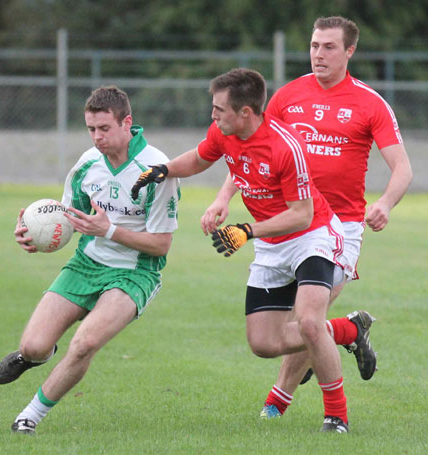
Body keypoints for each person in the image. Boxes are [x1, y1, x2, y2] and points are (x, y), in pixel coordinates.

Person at [130, 67, 376, 433]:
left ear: (245, 112)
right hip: (272, 245)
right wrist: (163, 169)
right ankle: (347, 331)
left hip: (313, 236)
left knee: (308, 322)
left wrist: (246, 230)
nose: (212, 116)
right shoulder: (224, 133)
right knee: (263, 343)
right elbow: (200, 158)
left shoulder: (284, 147)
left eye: (218, 110)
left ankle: (336, 416)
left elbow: (301, 214)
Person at [201, 16, 412, 421]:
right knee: (295, 329)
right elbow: (250, 148)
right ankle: (350, 330)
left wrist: (385, 203)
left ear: (350, 51)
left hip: (338, 227)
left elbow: (402, 167)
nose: (318, 54)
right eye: (314, 45)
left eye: (329, 47)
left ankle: (280, 403)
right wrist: (223, 197)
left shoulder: (370, 103)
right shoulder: (288, 96)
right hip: (286, 226)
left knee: (307, 320)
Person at [0, 86, 180, 435]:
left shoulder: (157, 170)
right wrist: (33, 236)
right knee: (33, 346)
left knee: (85, 343)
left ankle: (29, 416)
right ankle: (34, 356)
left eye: (104, 129)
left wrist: (109, 231)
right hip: (87, 264)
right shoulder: (88, 165)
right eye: (91, 129)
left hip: (134, 272)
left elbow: (162, 245)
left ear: (127, 123)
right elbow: (66, 220)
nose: (97, 138)